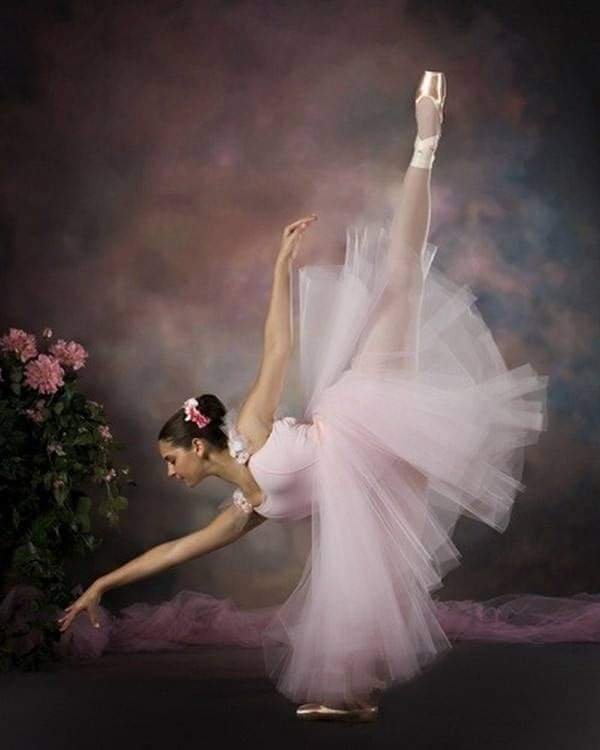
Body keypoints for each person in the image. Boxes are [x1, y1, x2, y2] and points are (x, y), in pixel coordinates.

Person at [57, 71, 548, 723]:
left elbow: (278, 346)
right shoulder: (245, 511)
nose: (169, 473)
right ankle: (358, 696)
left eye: (171, 460)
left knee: (401, 280)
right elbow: (172, 551)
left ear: (199, 445)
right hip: (377, 484)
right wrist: (101, 583)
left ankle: (425, 142)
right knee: (356, 579)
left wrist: (280, 269)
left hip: (366, 415)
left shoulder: (253, 431)